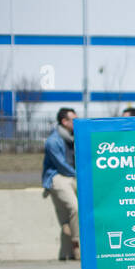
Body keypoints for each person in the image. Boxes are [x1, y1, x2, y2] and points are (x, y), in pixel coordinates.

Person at [42, 108, 79, 261]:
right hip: (58, 176)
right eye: (74, 120)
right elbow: (61, 165)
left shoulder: (75, 138)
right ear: (64, 122)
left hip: (73, 176)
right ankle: (77, 245)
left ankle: (70, 230)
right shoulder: (53, 141)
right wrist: (79, 175)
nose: (77, 123)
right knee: (75, 207)